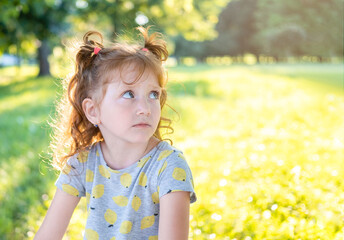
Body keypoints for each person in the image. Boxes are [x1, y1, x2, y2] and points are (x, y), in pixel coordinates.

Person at [34, 27, 196, 240]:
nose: (145, 108)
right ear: (93, 111)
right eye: (129, 94)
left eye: (153, 94)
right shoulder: (82, 163)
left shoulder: (169, 166)